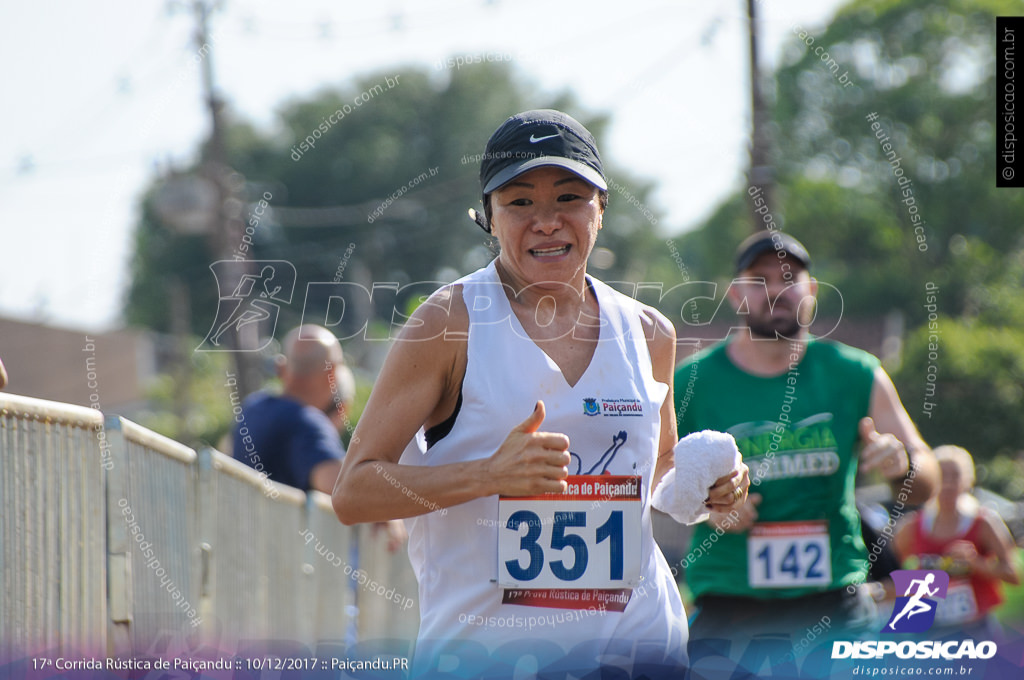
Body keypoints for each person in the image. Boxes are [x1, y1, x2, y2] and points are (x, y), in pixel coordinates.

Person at [332, 109, 750, 677]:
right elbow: (354, 492)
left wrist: (710, 488)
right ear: (489, 218)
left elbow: (656, 474)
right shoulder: (448, 323)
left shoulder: (650, 332)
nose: (547, 221)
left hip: (637, 649)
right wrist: (489, 476)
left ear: (601, 210)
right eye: (520, 202)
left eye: (570, 198)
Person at [674, 230, 940, 660]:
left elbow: (928, 476)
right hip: (729, 605)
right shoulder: (691, 382)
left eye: (788, 278)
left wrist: (902, 464)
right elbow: (649, 478)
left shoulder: (856, 373)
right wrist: (709, 506)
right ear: (736, 294)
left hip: (835, 602)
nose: (775, 290)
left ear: (811, 291)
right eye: (758, 280)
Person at [894, 445, 1021, 639]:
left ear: (968, 480)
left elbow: (1013, 575)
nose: (948, 483)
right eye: (942, 475)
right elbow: (890, 575)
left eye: (955, 476)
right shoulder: (912, 526)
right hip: (929, 629)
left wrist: (975, 562)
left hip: (976, 630)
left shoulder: (984, 523)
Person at [232, 324, 351, 493]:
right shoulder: (308, 423)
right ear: (331, 374)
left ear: (280, 367)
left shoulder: (252, 407)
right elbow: (345, 489)